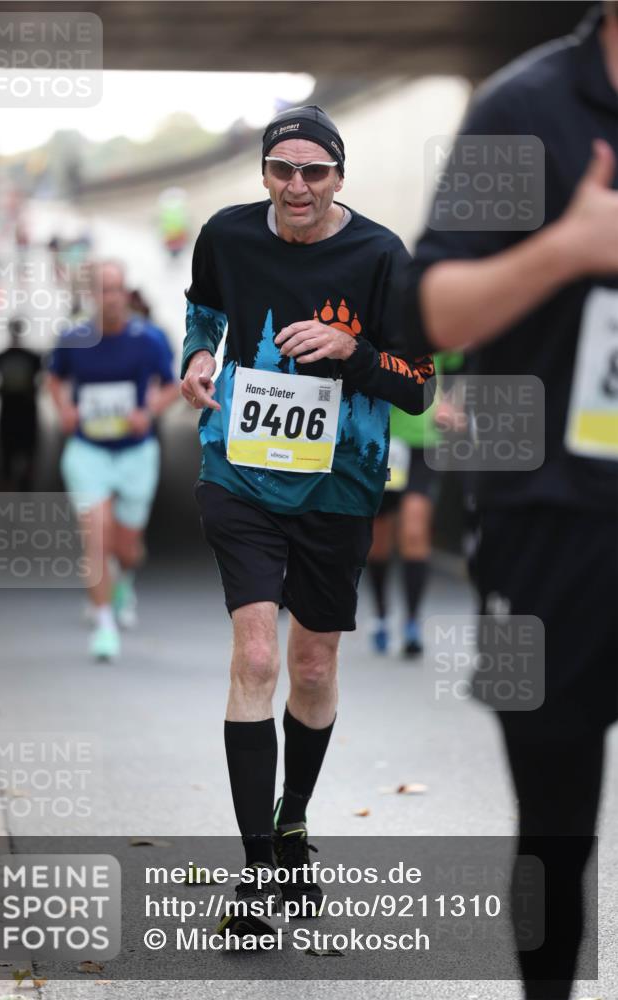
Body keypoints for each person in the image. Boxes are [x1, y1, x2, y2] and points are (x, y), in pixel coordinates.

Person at [398, 6, 618, 998]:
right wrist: (569, 247)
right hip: (548, 522)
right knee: (554, 830)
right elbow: (430, 310)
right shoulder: (523, 107)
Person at [180, 104, 435, 933]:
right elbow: (204, 311)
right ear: (263, 172)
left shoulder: (379, 255)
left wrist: (350, 352)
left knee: (313, 666)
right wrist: (194, 357)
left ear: (338, 177)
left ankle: (292, 821)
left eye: (313, 172)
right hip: (240, 473)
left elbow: (416, 382)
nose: (296, 186)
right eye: (281, 169)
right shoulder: (224, 234)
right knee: (255, 653)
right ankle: (257, 875)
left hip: (339, 483)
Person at [47, 260, 179, 660]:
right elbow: (54, 378)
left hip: (135, 452)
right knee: (97, 534)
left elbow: (173, 385)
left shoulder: (148, 339)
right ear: (92, 296)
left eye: (116, 289)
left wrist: (149, 411)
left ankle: (122, 580)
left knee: (126, 548)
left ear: (127, 294)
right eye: (103, 290)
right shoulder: (73, 339)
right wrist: (64, 409)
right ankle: (104, 624)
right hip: (88, 450)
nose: (111, 298)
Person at [367, 350, 464, 656]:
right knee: (379, 538)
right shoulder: (381, 313)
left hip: (423, 441)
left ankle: (412, 621)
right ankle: (382, 614)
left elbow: (460, 368)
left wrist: (451, 403)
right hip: (383, 437)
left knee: (414, 529)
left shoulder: (434, 318)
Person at [0, 316, 41, 491]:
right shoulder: (29, 358)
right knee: (13, 457)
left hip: (18, 411)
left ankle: (18, 493)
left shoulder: (9, 357)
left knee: (18, 457)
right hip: (16, 411)